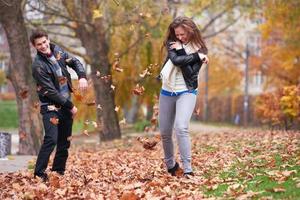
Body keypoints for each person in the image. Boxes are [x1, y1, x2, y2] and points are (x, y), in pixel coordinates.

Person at [30, 29, 88, 181]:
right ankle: (39, 174)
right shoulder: (38, 66)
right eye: (39, 44)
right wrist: (71, 106)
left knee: (64, 141)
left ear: (48, 40)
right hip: (50, 106)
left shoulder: (58, 51)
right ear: (35, 46)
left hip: (65, 104)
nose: (43, 46)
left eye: (44, 42)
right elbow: (50, 92)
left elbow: (74, 61)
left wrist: (82, 76)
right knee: (51, 139)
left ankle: (58, 172)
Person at [159, 16, 209, 177]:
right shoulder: (172, 43)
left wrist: (184, 51)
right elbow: (175, 60)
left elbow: (190, 72)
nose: (179, 37)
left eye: (183, 34)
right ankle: (171, 165)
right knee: (165, 131)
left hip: (187, 91)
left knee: (181, 127)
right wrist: (195, 57)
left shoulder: (200, 48)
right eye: (177, 34)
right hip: (167, 90)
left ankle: (188, 169)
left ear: (190, 30)